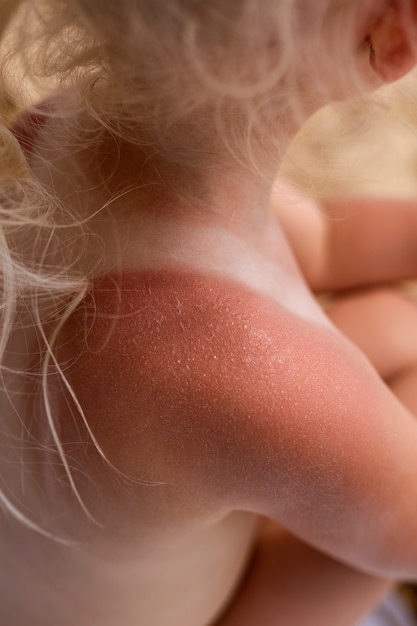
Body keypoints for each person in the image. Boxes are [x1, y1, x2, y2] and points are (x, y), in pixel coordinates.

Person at [1, 0, 417, 624]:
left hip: (48, 582)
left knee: (393, 325)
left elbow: (329, 246)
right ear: (396, 36)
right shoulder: (246, 364)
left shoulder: (56, 129)